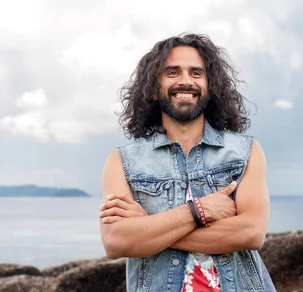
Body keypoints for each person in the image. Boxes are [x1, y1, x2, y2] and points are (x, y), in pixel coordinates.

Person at [98, 33, 276, 292]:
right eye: (172, 73)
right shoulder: (123, 162)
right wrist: (199, 210)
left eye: (196, 73)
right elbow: (116, 241)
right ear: (153, 88)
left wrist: (149, 227)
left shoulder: (245, 152)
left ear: (209, 86)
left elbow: (251, 233)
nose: (185, 81)